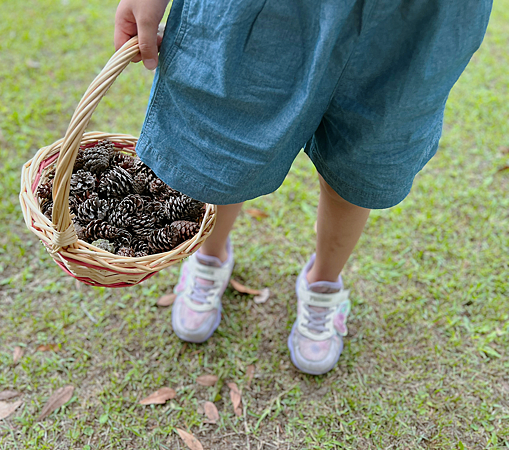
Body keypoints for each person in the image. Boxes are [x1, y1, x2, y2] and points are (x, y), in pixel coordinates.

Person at [114, 0, 492, 375]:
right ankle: (210, 257)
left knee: (362, 160)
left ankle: (323, 285)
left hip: (417, 14)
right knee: (225, 143)